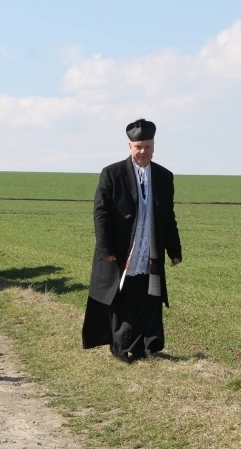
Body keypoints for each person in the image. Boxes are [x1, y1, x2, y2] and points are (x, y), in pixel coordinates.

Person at [82, 118, 183, 363]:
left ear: (154, 146)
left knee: (148, 297)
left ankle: (142, 346)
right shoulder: (112, 173)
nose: (143, 152)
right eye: (138, 147)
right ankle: (120, 347)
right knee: (121, 297)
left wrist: (174, 249)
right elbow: (101, 213)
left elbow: (168, 216)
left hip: (150, 249)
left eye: (147, 147)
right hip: (121, 250)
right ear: (130, 147)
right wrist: (105, 248)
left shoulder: (163, 176)